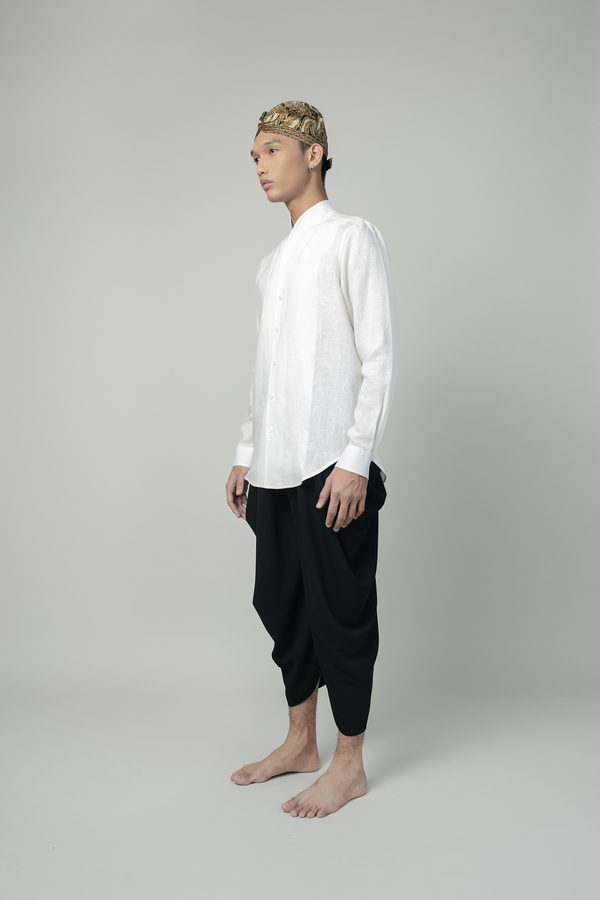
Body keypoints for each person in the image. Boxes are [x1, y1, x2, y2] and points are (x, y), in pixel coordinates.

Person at [225, 101, 398, 818]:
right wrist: (246, 451)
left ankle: (348, 763)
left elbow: (378, 356)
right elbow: (266, 371)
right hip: (274, 467)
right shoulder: (271, 265)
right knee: (281, 604)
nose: (260, 166)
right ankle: (300, 742)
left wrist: (356, 458)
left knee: (340, 611)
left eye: (271, 150)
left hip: (330, 465)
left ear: (314, 153)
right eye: (254, 156)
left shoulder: (351, 238)